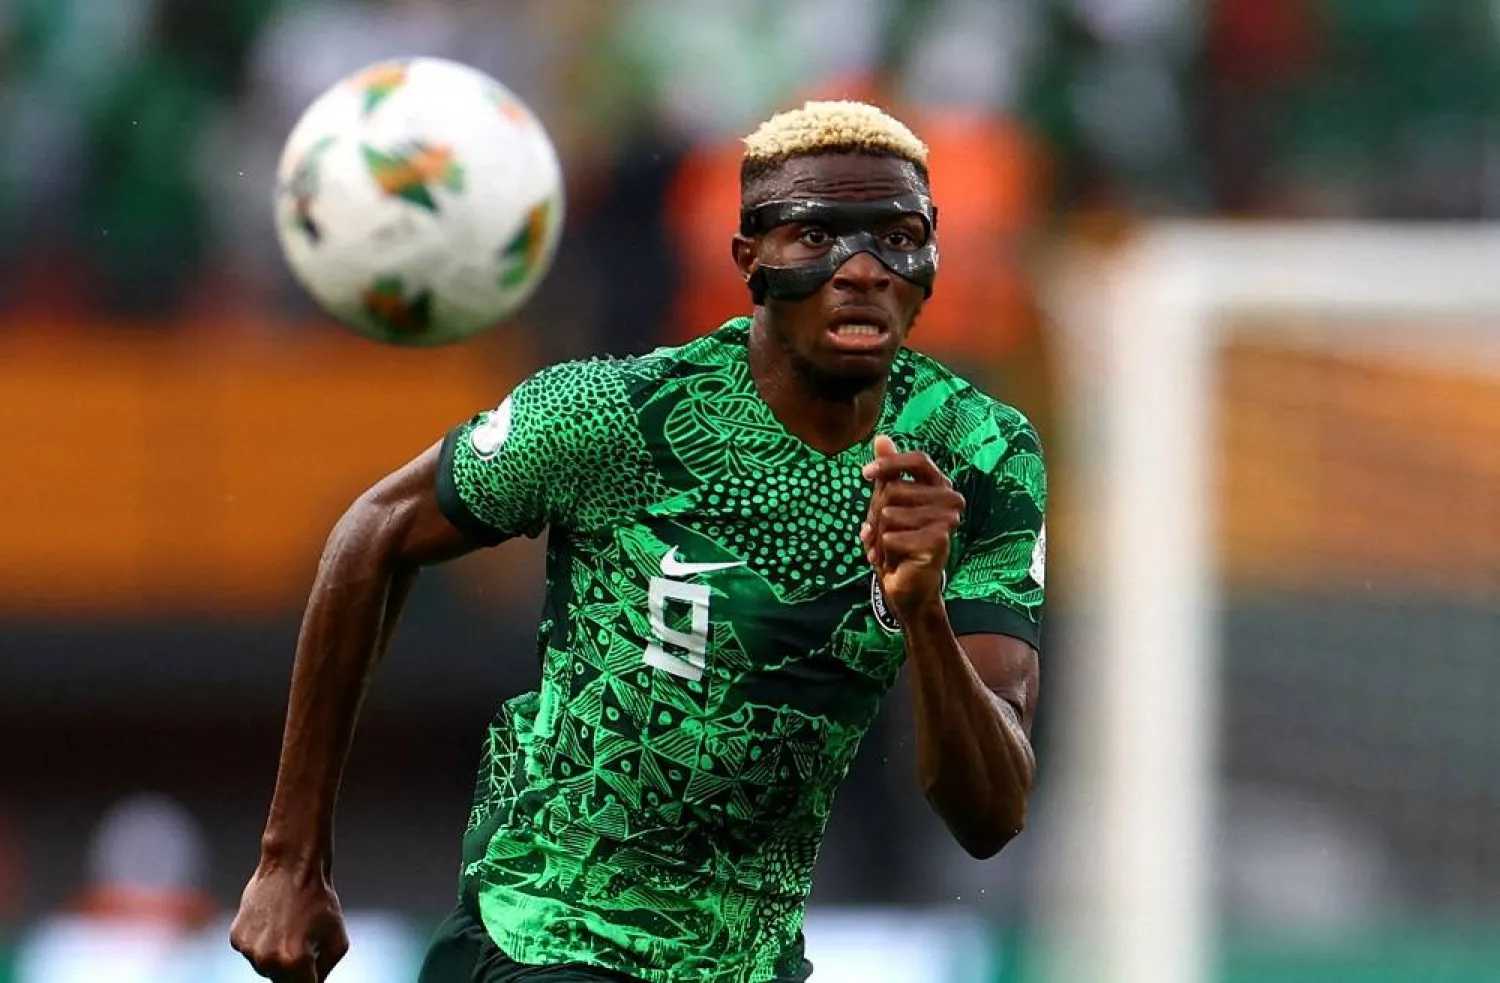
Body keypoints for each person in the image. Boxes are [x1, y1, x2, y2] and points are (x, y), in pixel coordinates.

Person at [229, 100, 1047, 983]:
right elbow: (375, 529)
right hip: (550, 931)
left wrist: (922, 611)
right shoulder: (615, 414)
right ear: (749, 261)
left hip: (748, 958)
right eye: (815, 236)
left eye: (897, 235)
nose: (861, 268)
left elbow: (989, 816)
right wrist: (290, 858)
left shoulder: (981, 455)